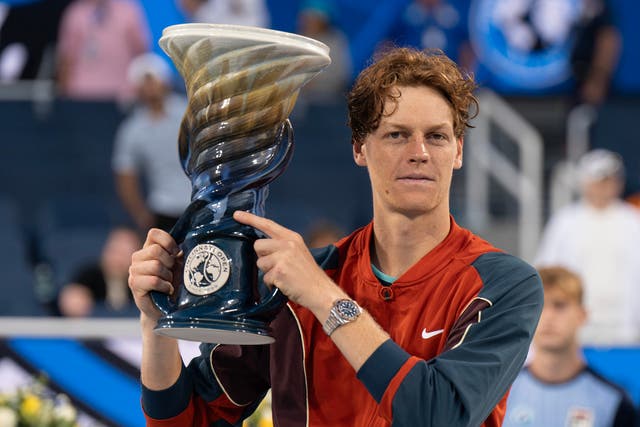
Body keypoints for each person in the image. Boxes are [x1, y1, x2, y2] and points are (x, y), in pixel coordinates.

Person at [128, 47, 543, 426]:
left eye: (436, 136)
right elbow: (191, 421)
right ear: (359, 149)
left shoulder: (503, 284)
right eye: (396, 134)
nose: (419, 151)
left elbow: (436, 415)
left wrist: (324, 296)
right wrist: (155, 321)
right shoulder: (294, 288)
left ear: (458, 151)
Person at [503, 266, 638, 427]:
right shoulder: (499, 396)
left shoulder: (612, 401)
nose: (548, 317)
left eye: (559, 305)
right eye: (538, 306)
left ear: (582, 315)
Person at [535, 149, 640, 345]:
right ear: (585, 182)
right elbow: (547, 273)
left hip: (627, 326)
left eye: (610, 180)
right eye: (599, 180)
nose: (604, 186)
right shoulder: (565, 221)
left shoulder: (633, 220)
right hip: (577, 326)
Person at [112, 52, 191, 233]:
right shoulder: (132, 129)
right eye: (144, 81)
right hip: (162, 210)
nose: (150, 86)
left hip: (199, 204)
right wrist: (141, 215)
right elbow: (125, 177)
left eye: (153, 79)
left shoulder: (189, 112)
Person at [56, 0, 150, 101]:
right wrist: (63, 100)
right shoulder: (75, 12)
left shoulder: (129, 10)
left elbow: (142, 55)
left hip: (123, 96)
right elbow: (66, 59)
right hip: (82, 96)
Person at [57, 227, 141, 317]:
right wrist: (72, 300)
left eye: (125, 253)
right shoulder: (89, 275)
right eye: (115, 251)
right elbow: (72, 297)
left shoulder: (142, 282)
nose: (118, 259)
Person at [569, 0, 621, 106]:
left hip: (581, 88)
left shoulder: (594, 5)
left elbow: (608, 38)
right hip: (547, 91)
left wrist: (597, 79)